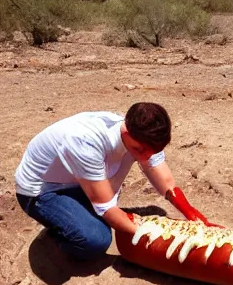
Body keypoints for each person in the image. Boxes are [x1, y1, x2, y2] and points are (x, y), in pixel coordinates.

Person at [14, 102, 209, 259]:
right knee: (95, 240)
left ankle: (73, 215)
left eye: (154, 151)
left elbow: (165, 181)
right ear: (126, 133)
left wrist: (193, 215)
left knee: (110, 209)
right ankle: (57, 236)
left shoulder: (142, 135)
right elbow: (106, 208)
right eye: (141, 150)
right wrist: (159, 238)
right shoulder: (85, 141)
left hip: (76, 180)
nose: (147, 157)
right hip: (42, 191)